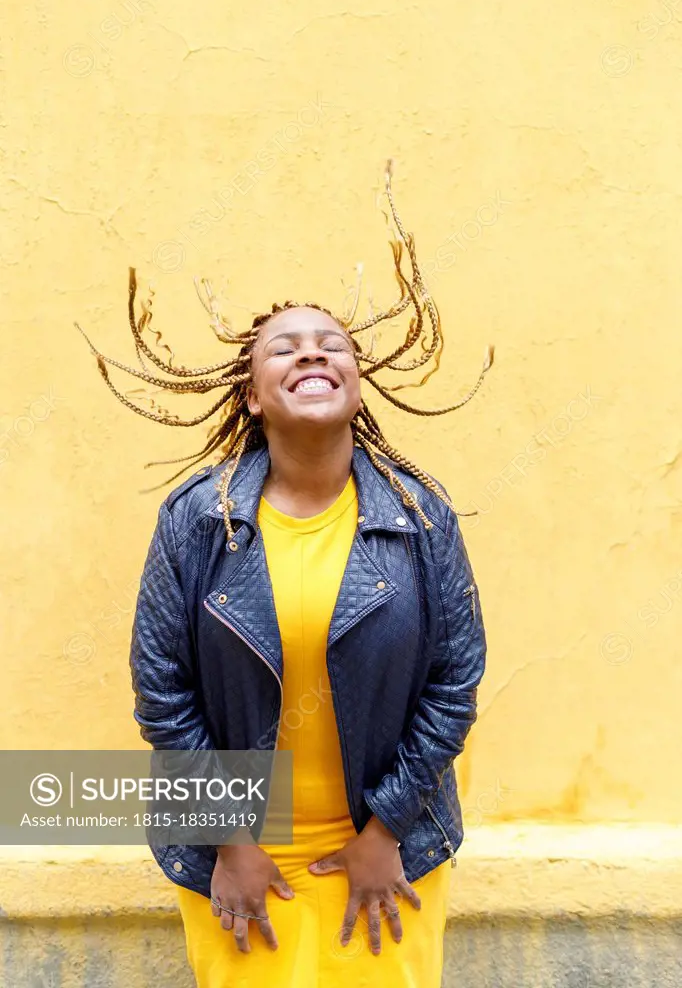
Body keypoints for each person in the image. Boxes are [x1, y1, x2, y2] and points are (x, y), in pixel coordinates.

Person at [77, 162, 492, 987]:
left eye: (332, 344)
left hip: (381, 853)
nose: (312, 354)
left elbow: (456, 683)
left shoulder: (419, 516)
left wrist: (382, 837)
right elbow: (163, 692)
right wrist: (231, 844)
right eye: (285, 348)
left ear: (356, 381)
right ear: (255, 394)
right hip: (241, 861)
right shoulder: (196, 521)